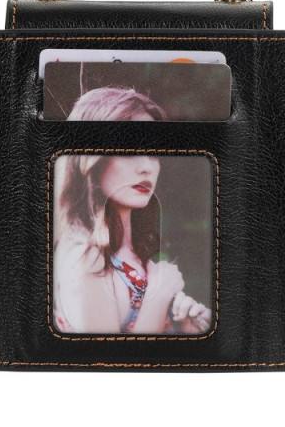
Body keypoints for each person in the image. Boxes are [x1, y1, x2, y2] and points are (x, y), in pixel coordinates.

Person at [52, 85, 212, 335]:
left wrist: (186, 329)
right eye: (129, 150)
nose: (147, 167)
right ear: (90, 155)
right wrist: (159, 294)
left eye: (153, 152)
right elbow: (108, 358)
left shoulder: (133, 252)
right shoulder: (85, 256)